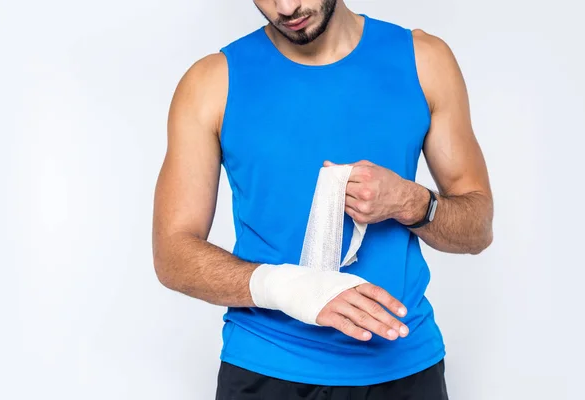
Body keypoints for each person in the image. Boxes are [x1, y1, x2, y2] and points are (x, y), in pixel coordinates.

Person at [152, 0, 494, 398]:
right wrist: (286, 287)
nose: (286, 6)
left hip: (402, 364)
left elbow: (478, 230)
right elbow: (172, 254)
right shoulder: (211, 83)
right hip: (266, 368)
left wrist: (410, 201)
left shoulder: (424, 60)